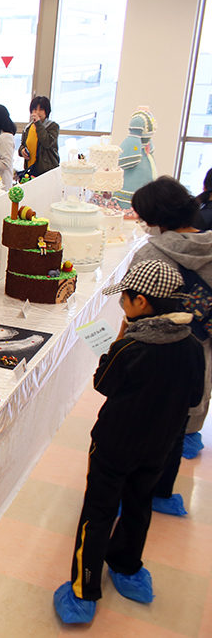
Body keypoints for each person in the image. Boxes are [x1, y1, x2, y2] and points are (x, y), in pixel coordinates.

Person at [54, 260, 204, 624]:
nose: (121, 304)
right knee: (138, 505)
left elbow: (103, 383)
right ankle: (126, 566)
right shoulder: (193, 347)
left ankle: (84, 588)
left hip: (114, 445)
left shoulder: (130, 348)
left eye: (124, 298)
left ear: (141, 303)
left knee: (99, 511)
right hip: (160, 447)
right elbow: (195, 398)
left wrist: (120, 338)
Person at [130, 177, 212, 513]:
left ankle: (130, 496)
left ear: (152, 217)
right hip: (197, 355)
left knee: (140, 431)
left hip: (153, 359)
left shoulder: (149, 254)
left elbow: (134, 314)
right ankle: (164, 493)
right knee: (176, 429)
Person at [19, 96, 61, 177]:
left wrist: (38, 124)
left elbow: (47, 142)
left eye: (41, 109)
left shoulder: (53, 126)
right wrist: (22, 150)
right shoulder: (28, 128)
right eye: (35, 109)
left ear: (47, 111)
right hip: (30, 169)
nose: (37, 112)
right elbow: (22, 145)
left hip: (47, 171)